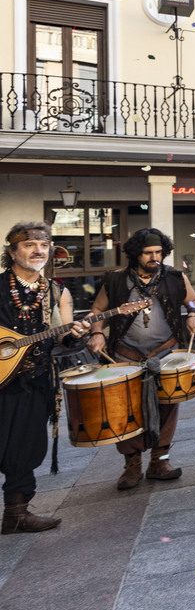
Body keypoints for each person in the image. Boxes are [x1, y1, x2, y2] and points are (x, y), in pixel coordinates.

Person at [87, 228, 195, 491]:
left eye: (159, 252)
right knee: (125, 410)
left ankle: (159, 462)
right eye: (149, 253)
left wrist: (194, 316)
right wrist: (97, 332)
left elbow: (194, 301)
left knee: (167, 407)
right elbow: (98, 310)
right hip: (124, 354)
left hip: (165, 352)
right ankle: (132, 466)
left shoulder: (174, 276)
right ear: (135, 254)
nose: (155, 257)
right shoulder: (115, 280)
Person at [1, 223, 89, 534]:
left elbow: (64, 338)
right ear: (13, 252)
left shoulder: (56, 291)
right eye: (29, 245)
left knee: (25, 446)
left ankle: (15, 513)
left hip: (33, 381)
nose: (38, 251)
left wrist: (76, 335)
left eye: (43, 245)